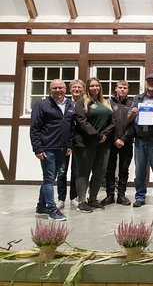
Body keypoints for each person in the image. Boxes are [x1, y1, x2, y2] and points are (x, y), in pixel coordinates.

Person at [30, 79, 75, 221]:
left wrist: (69, 145)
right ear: (50, 89)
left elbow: (71, 127)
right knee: (49, 179)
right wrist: (37, 148)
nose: (58, 90)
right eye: (55, 88)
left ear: (65, 89)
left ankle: (41, 206)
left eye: (60, 87)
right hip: (47, 148)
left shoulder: (70, 104)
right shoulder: (42, 105)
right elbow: (34, 128)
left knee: (51, 178)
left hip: (62, 149)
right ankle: (52, 209)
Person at [73, 77, 115, 213]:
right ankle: (82, 202)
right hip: (85, 143)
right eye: (92, 86)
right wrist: (97, 135)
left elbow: (112, 121)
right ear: (88, 88)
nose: (95, 88)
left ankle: (93, 199)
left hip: (102, 144)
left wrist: (104, 135)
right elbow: (81, 121)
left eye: (97, 85)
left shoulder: (105, 102)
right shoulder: (81, 102)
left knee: (99, 172)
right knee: (84, 172)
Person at [128, 73, 153, 208]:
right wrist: (133, 113)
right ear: (145, 82)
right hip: (140, 139)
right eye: (149, 81)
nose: (151, 83)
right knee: (140, 171)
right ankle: (140, 197)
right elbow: (129, 119)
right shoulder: (137, 99)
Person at [101, 80, 134, 206]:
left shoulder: (132, 104)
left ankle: (121, 195)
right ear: (116, 89)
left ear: (128, 90)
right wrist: (114, 139)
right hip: (111, 142)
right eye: (120, 87)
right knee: (110, 169)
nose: (122, 90)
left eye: (125, 88)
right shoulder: (108, 103)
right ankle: (110, 195)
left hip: (127, 141)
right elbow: (106, 123)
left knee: (124, 169)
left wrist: (124, 139)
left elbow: (133, 125)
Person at [56, 79, 84, 209]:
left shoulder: (85, 103)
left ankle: (74, 197)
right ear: (70, 89)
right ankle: (61, 198)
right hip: (64, 142)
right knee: (62, 171)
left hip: (79, 142)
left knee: (76, 171)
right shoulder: (65, 103)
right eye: (74, 87)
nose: (77, 89)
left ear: (83, 89)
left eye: (79, 87)